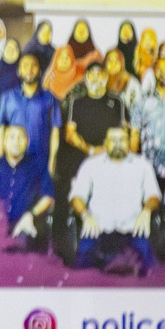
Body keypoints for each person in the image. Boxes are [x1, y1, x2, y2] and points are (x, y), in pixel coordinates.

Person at [55, 60, 128, 244]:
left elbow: (124, 132)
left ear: (105, 77)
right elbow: (70, 134)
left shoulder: (117, 101)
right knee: (65, 184)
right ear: (86, 78)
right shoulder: (75, 102)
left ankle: (114, 236)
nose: (96, 78)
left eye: (100, 74)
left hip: (111, 154)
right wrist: (90, 150)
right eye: (91, 74)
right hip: (81, 155)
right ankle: (64, 239)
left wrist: (104, 150)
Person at [70, 126, 161, 274]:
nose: (118, 143)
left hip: (133, 230)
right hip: (97, 229)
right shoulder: (90, 165)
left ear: (128, 142)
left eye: (122, 139)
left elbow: (154, 196)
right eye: (113, 140)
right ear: (105, 143)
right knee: (80, 275)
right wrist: (85, 215)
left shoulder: (143, 165)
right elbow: (77, 197)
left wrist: (146, 210)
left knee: (152, 274)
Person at [0, 124, 55, 253]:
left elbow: (48, 198)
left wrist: (30, 215)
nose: (16, 142)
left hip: (26, 223)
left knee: (23, 243)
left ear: (27, 143)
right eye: (11, 137)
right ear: (4, 142)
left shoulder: (38, 165)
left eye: (20, 138)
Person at [0, 52, 61, 176]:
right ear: (19, 71)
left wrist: (52, 162)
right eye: (25, 66)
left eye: (33, 65)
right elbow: (1, 130)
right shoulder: (8, 97)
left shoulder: (49, 98)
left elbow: (55, 131)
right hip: (13, 162)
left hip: (40, 163)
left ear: (40, 71)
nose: (29, 69)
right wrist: (1, 161)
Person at [135, 53, 165, 182]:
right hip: (148, 169)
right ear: (154, 73)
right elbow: (135, 133)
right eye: (159, 69)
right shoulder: (142, 100)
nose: (163, 73)